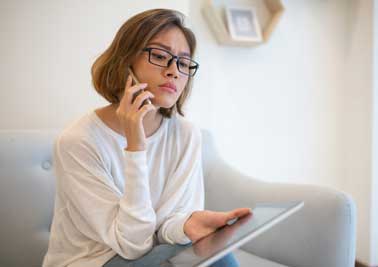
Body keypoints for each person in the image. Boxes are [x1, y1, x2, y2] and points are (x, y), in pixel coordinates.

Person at [43, 8, 251, 267]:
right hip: (94, 261)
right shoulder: (78, 141)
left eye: (184, 63)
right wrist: (136, 147)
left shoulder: (186, 135)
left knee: (218, 258)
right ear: (125, 61)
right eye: (160, 55)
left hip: (155, 254)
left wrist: (187, 224)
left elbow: (166, 228)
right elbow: (132, 245)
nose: (174, 71)